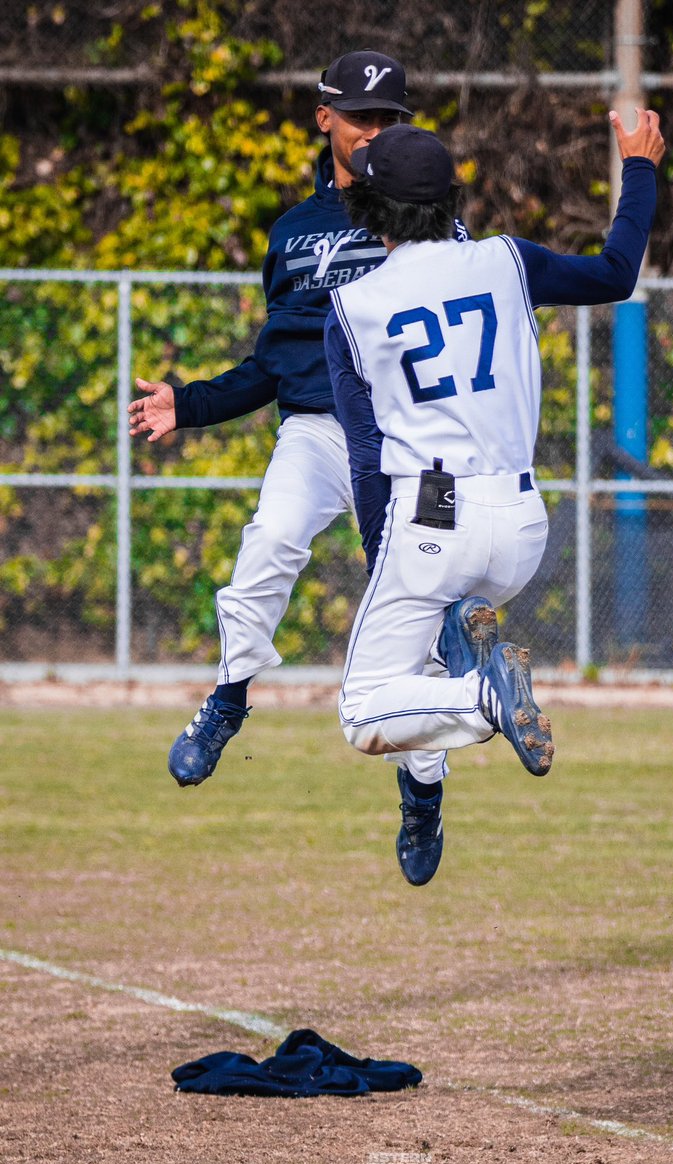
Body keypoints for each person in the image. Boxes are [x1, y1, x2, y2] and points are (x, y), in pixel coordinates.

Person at [325, 109, 665, 886]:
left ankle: (483, 697)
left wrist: (390, 561)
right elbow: (617, 273)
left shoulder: (352, 309)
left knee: (364, 710)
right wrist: (638, 166)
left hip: (429, 518)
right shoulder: (508, 261)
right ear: (453, 201)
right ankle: (426, 790)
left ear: (369, 210)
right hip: (519, 525)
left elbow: (368, 453)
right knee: (419, 671)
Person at [127, 50, 465, 792]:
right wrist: (189, 403)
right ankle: (228, 696)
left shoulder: (430, 218)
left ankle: (423, 784)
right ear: (325, 119)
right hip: (319, 428)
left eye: (387, 119)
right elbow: (273, 364)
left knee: (423, 606)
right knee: (271, 540)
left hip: (411, 439)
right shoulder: (293, 233)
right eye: (360, 117)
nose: (374, 131)